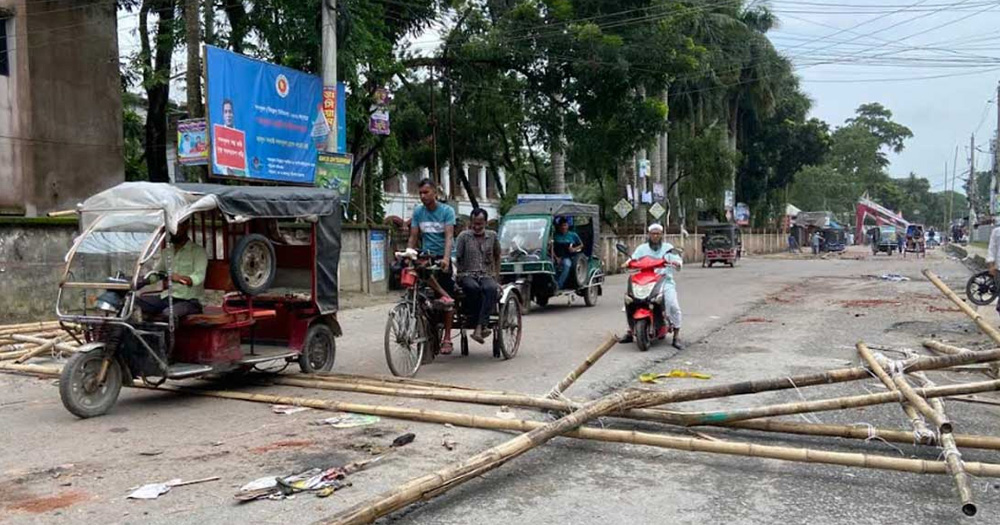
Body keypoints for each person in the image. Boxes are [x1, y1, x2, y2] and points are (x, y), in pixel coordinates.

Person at [408, 179, 457, 354]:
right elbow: (413, 237)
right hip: (426, 256)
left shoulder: (447, 211)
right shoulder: (418, 212)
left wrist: (446, 259)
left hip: (442, 257)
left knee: (447, 298)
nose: (423, 196)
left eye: (426, 192)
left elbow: (449, 237)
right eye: (420, 193)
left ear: (435, 193)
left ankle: (447, 338)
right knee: (416, 286)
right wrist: (408, 253)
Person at [620, 224, 684, 349]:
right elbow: (633, 259)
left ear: (661, 235)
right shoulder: (642, 248)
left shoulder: (668, 248)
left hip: (664, 281)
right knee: (630, 302)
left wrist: (677, 263)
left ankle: (676, 336)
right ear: (649, 235)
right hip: (644, 280)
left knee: (673, 305)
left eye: (657, 233)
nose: (655, 236)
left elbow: (677, 259)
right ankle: (629, 331)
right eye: (653, 233)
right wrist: (626, 263)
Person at [137, 220, 207, 319]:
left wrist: (182, 279)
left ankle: (169, 329)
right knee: (133, 303)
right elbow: (157, 273)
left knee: (169, 314)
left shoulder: (198, 251)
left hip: (190, 301)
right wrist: (142, 281)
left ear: (185, 226)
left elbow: (199, 276)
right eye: (170, 228)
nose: (172, 231)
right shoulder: (166, 252)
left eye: (176, 227)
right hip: (168, 297)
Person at [455, 208, 501, 344]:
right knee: (473, 288)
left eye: (480, 224)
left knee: (491, 288)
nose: (476, 227)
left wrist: (496, 276)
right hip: (467, 274)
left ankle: (480, 326)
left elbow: (497, 256)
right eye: (474, 223)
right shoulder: (463, 237)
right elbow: (457, 257)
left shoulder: (492, 236)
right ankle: (478, 322)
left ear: (486, 223)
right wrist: (458, 275)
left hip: (486, 274)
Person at [551, 217, 584, 289]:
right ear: (559, 227)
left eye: (565, 225)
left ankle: (558, 285)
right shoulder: (555, 235)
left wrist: (574, 249)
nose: (563, 227)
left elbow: (581, 245)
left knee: (567, 265)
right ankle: (552, 283)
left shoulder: (573, 235)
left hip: (568, 257)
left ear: (568, 226)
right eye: (562, 226)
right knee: (550, 266)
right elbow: (551, 247)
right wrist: (556, 258)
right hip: (556, 257)